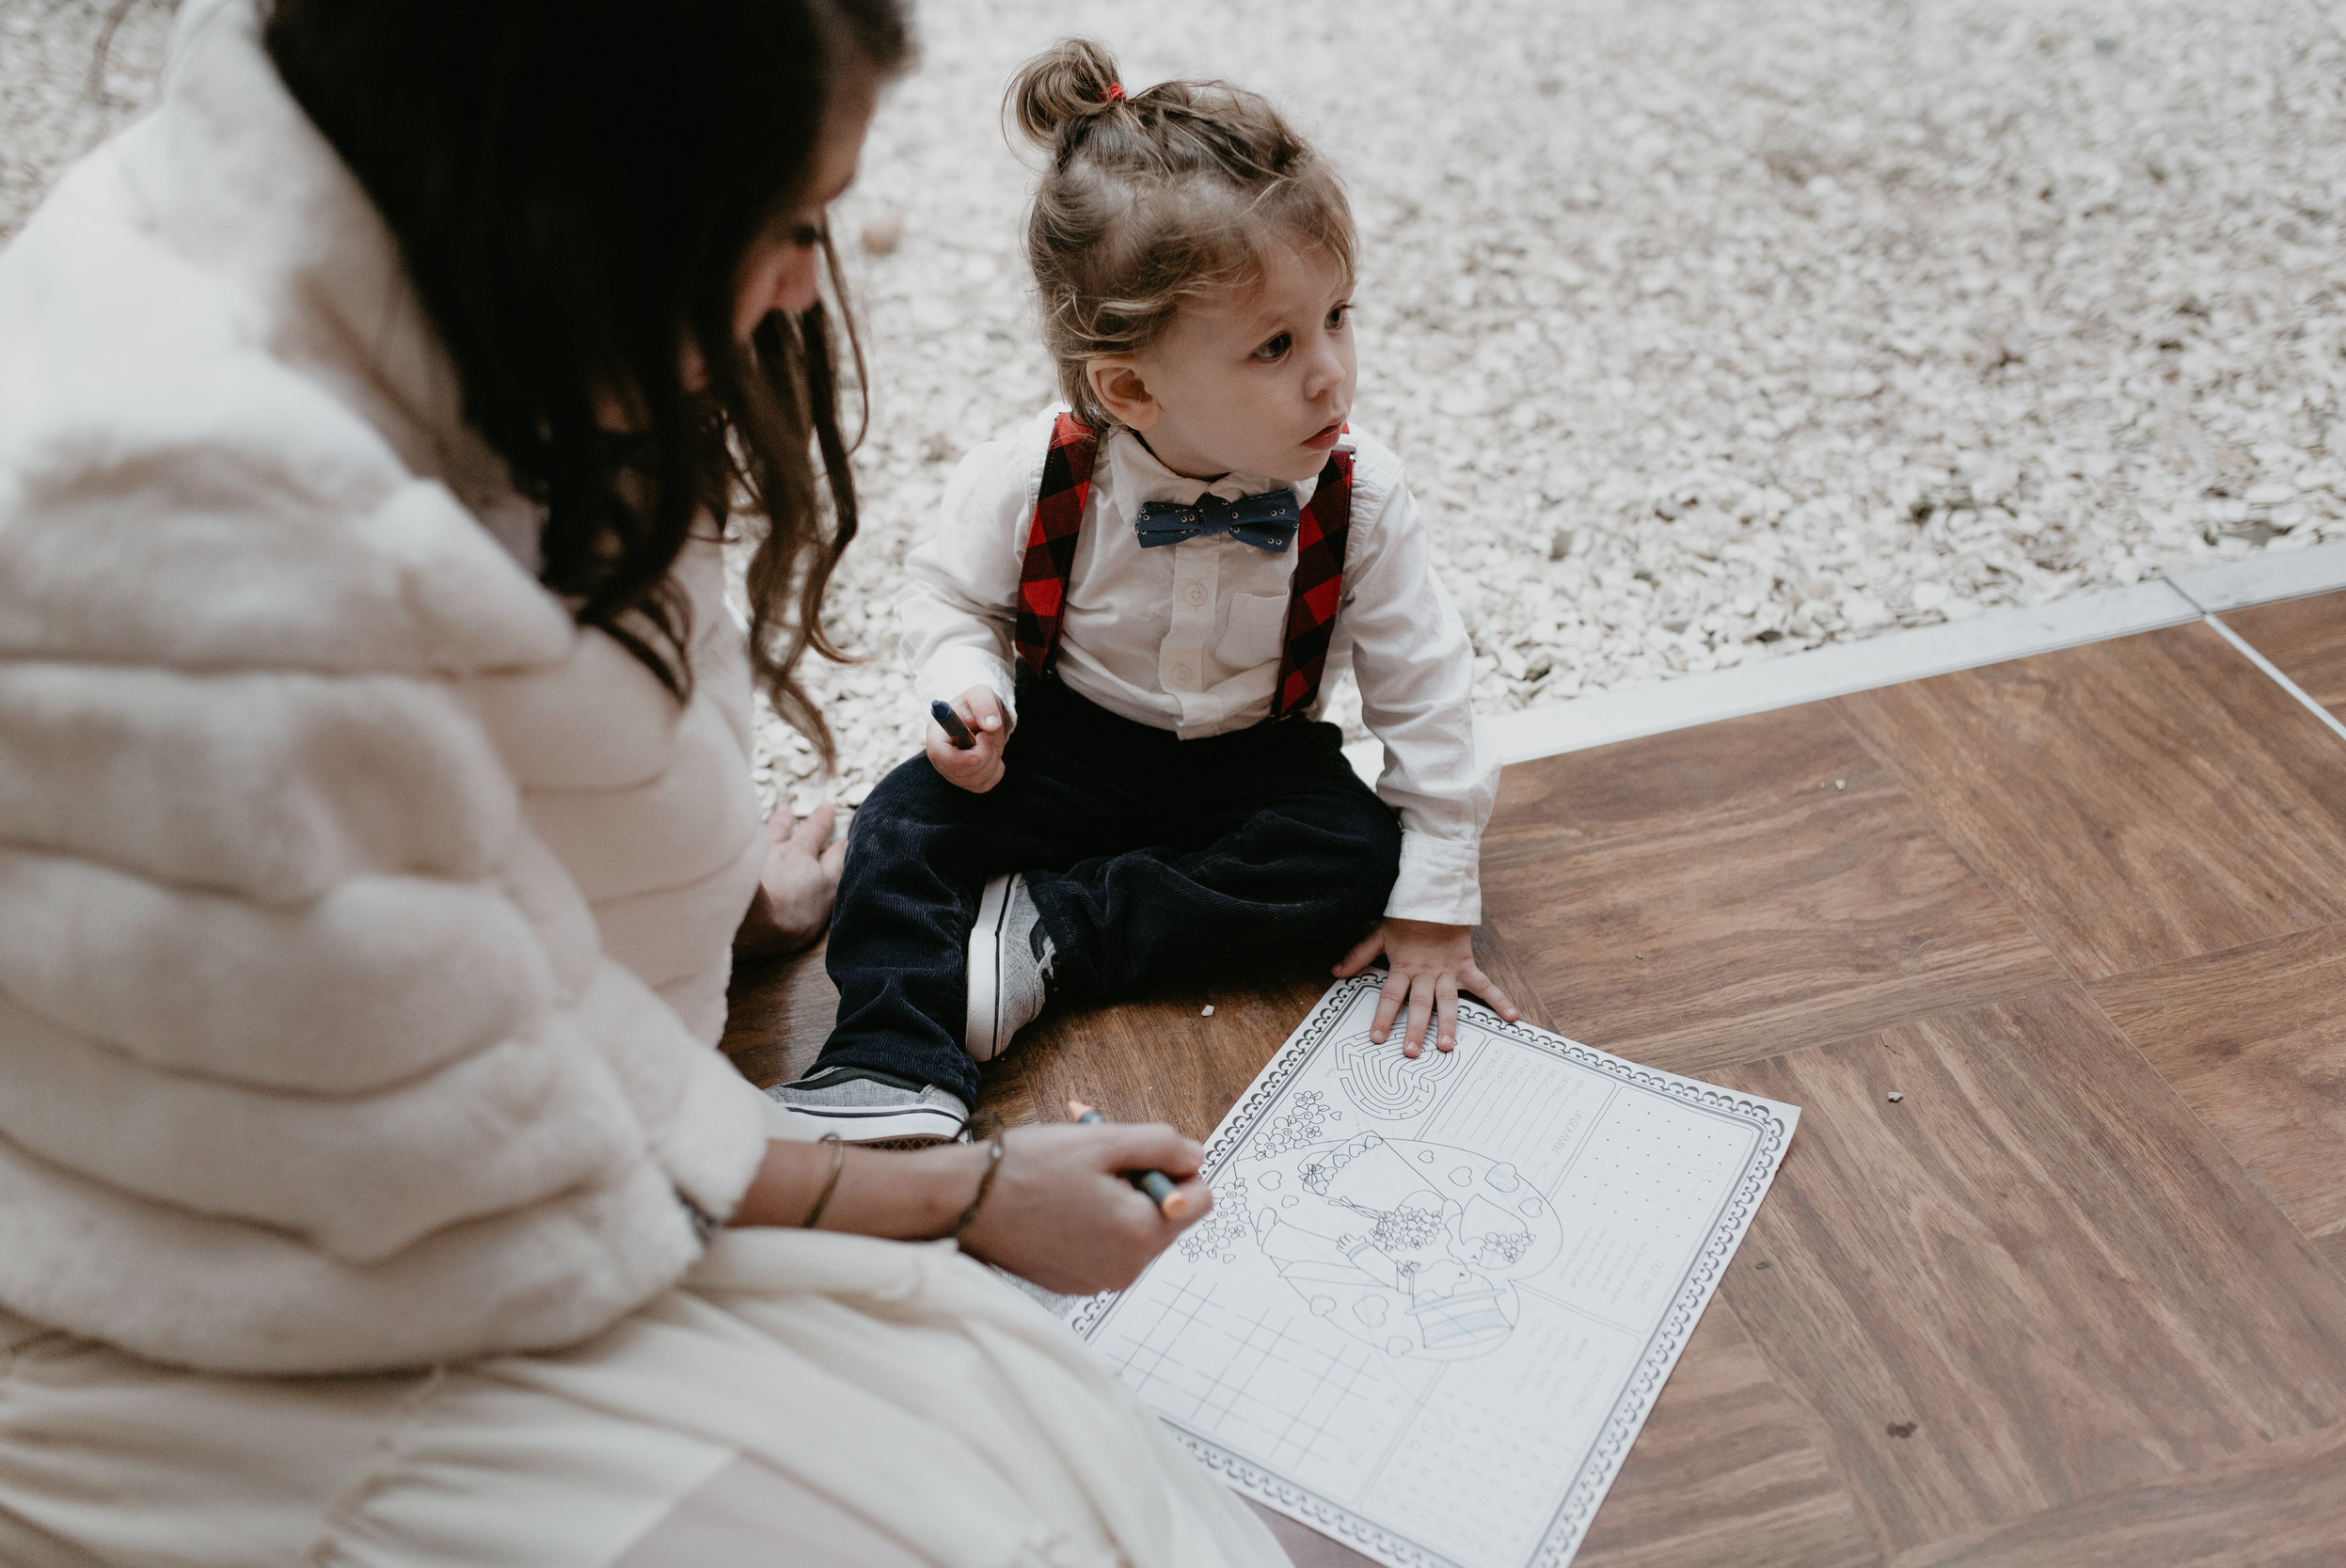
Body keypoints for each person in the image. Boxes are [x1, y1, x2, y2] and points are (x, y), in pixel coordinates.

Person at [0, 2, 1292, 1562]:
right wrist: (969, 1192)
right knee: (1015, 1492)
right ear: (580, 207)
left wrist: (727, 888)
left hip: (473, 1175)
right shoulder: (213, 558)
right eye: (784, 221)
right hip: (270, 1315)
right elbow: (502, 1115)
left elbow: (482, 784)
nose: (815, 278)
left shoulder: (418, 266)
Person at [770, 39, 1519, 1148]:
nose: (1331, 372)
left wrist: (1432, 905)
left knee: (1354, 855)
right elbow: (949, 603)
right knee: (896, 830)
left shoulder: (1361, 495)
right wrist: (971, 693)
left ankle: (1056, 933)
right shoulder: (1033, 474)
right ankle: (888, 1060)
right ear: (1130, 385)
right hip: (1063, 740)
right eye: (1274, 345)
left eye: (1338, 316)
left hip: (1251, 759)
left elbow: (1425, 693)